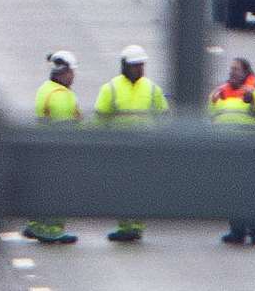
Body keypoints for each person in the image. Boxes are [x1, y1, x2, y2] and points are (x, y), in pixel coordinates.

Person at [94, 44, 169, 242]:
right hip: (120, 148)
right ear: (125, 66)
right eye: (135, 65)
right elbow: (100, 118)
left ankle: (136, 226)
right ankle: (125, 225)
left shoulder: (152, 89)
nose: (139, 69)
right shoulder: (110, 88)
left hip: (145, 148)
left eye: (141, 65)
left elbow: (163, 116)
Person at [210, 57, 255, 245]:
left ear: (247, 73)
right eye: (231, 69)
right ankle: (237, 231)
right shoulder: (221, 92)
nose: (233, 73)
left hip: (250, 150)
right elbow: (210, 115)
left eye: (237, 70)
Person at [23, 50, 81, 245]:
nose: (73, 76)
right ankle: (53, 230)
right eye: (72, 72)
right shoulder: (62, 96)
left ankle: (36, 224)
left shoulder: (45, 88)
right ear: (63, 72)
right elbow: (68, 127)